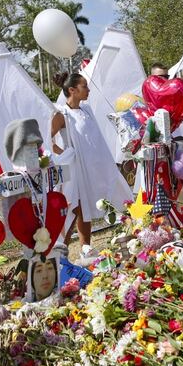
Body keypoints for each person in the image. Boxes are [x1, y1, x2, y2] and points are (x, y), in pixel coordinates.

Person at [51, 73, 132, 254]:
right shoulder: (62, 114)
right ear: (72, 90)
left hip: (95, 166)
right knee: (75, 208)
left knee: (89, 206)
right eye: (84, 86)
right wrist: (65, 154)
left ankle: (85, 248)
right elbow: (48, 140)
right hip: (77, 169)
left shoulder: (86, 109)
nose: (88, 90)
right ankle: (61, 252)